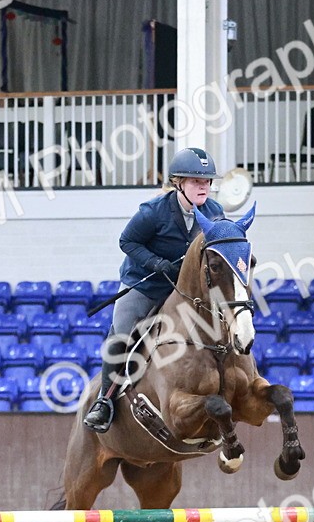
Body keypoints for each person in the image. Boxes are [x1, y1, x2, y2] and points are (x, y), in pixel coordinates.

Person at [83, 147, 225, 433]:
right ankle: (104, 401)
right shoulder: (153, 212)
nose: (203, 187)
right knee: (122, 333)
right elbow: (127, 242)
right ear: (178, 183)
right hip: (145, 284)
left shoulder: (214, 213)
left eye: (207, 181)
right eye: (196, 181)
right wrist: (155, 262)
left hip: (183, 289)